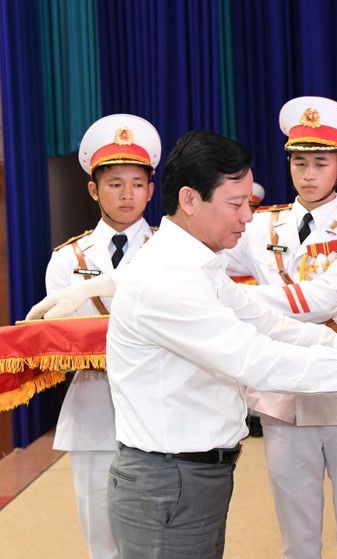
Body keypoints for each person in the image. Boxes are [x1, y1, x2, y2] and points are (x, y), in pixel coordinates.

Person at [99, 129, 337, 559]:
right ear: (190, 200)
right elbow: (259, 360)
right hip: (168, 477)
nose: (248, 218)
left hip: (194, 472)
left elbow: (270, 324)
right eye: (236, 205)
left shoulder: (198, 263)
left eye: (248, 204)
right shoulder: (171, 276)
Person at [220, 95, 337, 559]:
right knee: (297, 542)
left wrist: (235, 300)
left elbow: (317, 303)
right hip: (284, 394)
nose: (308, 173)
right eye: (299, 162)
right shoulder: (260, 226)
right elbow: (205, 266)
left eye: (321, 162)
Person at [45, 113, 159, 559]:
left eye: (137, 183)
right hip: (93, 410)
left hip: (158, 410)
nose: (127, 194)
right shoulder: (66, 259)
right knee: (101, 540)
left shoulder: (171, 251)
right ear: (94, 189)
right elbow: (63, 340)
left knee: (155, 538)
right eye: (115, 183)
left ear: (151, 190)